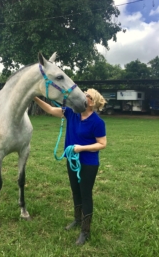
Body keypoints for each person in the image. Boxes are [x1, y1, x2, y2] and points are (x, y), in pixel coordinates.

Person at [34, 88, 107, 245]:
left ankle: (85, 231)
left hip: (88, 162)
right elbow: (51, 109)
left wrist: (81, 148)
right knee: (75, 191)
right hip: (72, 160)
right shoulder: (72, 112)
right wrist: (34, 97)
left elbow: (102, 143)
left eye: (86, 95)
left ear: (91, 102)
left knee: (85, 194)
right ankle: (77, 220)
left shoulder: (97, 122)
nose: (82, 95)